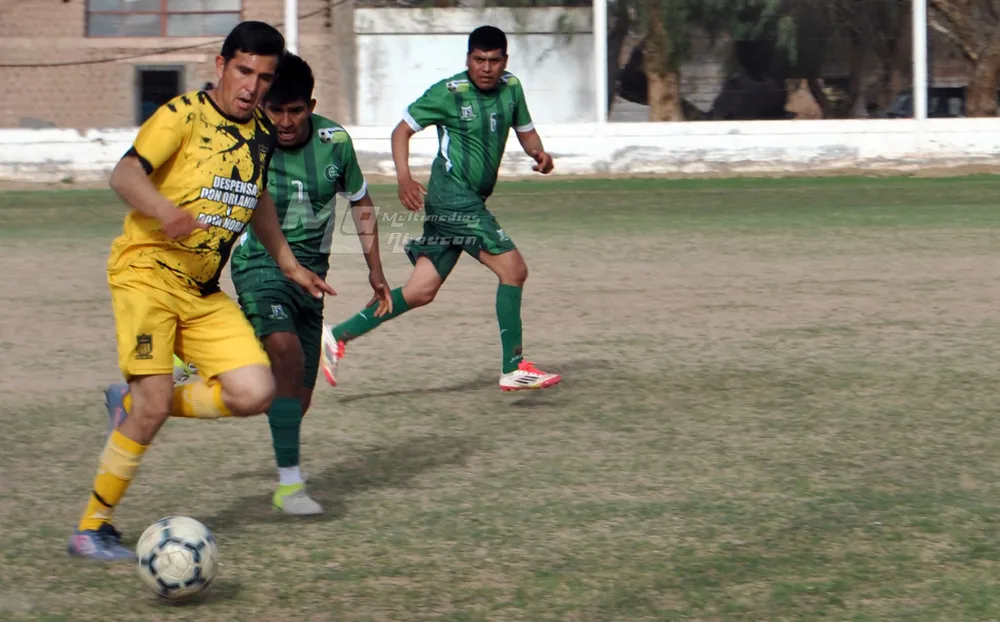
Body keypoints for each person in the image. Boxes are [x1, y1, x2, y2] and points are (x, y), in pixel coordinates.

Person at [68, 21, 335, 562]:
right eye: (242, 71)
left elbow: (255, 199)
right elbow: (124, 174)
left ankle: (137, 402)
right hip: (146, 274)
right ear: (221, 65)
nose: (252, 87)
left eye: (263, 77)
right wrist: (165, 211)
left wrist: (288, 263)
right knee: (153, 405)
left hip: (201, 289)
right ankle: (91, 529)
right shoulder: (182, 115)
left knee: (255, 392)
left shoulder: (261, 131)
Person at [320, 25, 561, 392]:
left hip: (466, 201)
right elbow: (401, 131)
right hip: (452, 198)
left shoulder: (512, 88)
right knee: (514, 269)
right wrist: (403, 177)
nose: (486, 68)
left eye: (494, 61)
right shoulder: (449, 93)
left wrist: (538, 153)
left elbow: (525, 129)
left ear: (504, 62)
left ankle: (336, 335)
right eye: (479, 60)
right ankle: (513, 367)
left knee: (420, 291)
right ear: (468, 60)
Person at [228, 53, 390, 514]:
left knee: (296, 397)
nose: (283, 121)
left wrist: (375, 269)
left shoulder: (335, 142)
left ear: (310, 105)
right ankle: (290, 486)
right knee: (287, 353)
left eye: (294, 110)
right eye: (275, 109)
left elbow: (361, 204)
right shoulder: (249, 141)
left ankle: (189, 374)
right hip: (260, 266)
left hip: (312, 282)